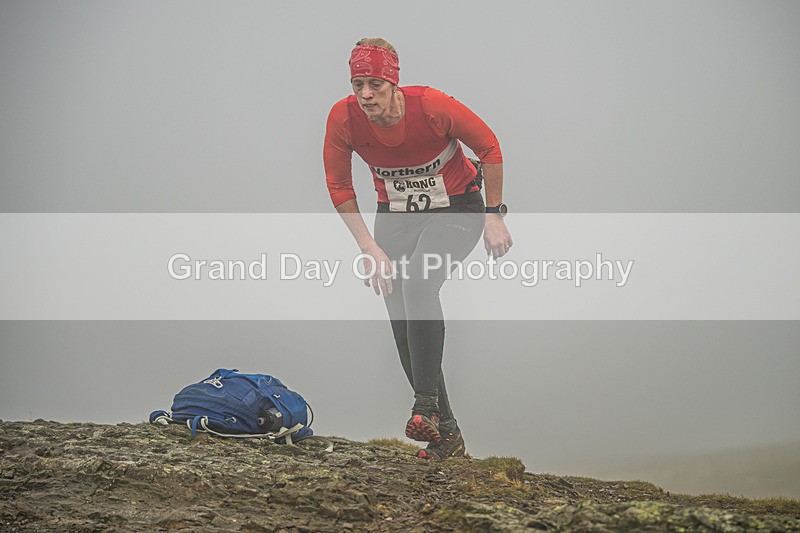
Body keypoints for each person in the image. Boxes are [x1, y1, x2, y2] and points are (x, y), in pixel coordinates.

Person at [324, 38, 512, 460]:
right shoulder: (343, 118)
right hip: (396, 217)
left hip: (457, 208)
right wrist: (369, 246)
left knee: (420, 283)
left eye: (375, 84)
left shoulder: (431, 106)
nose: (365, 94)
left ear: (394, 83)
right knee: (399, 311)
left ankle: (425, 406)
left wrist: (494, 214)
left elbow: (490, 147)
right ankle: (447, 434)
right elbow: (338, 185)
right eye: (357, 84)